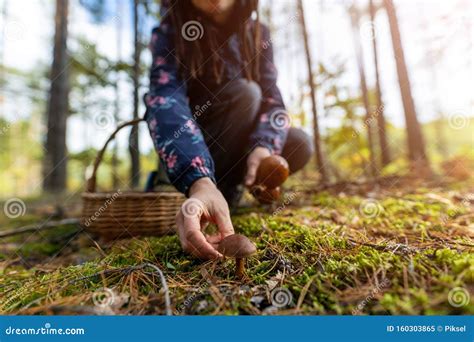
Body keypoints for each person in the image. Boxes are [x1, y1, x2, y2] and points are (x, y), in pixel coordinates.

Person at [145, 0, 312, 260]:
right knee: (246, 94)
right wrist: (197, 179)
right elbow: (165, 101)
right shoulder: (170, 32)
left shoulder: (258, 33)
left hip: (240, 143)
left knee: (299, 143)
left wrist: (263, 146)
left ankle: (230, 190)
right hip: (196, 145)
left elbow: (273, 100)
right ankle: (201, 189)